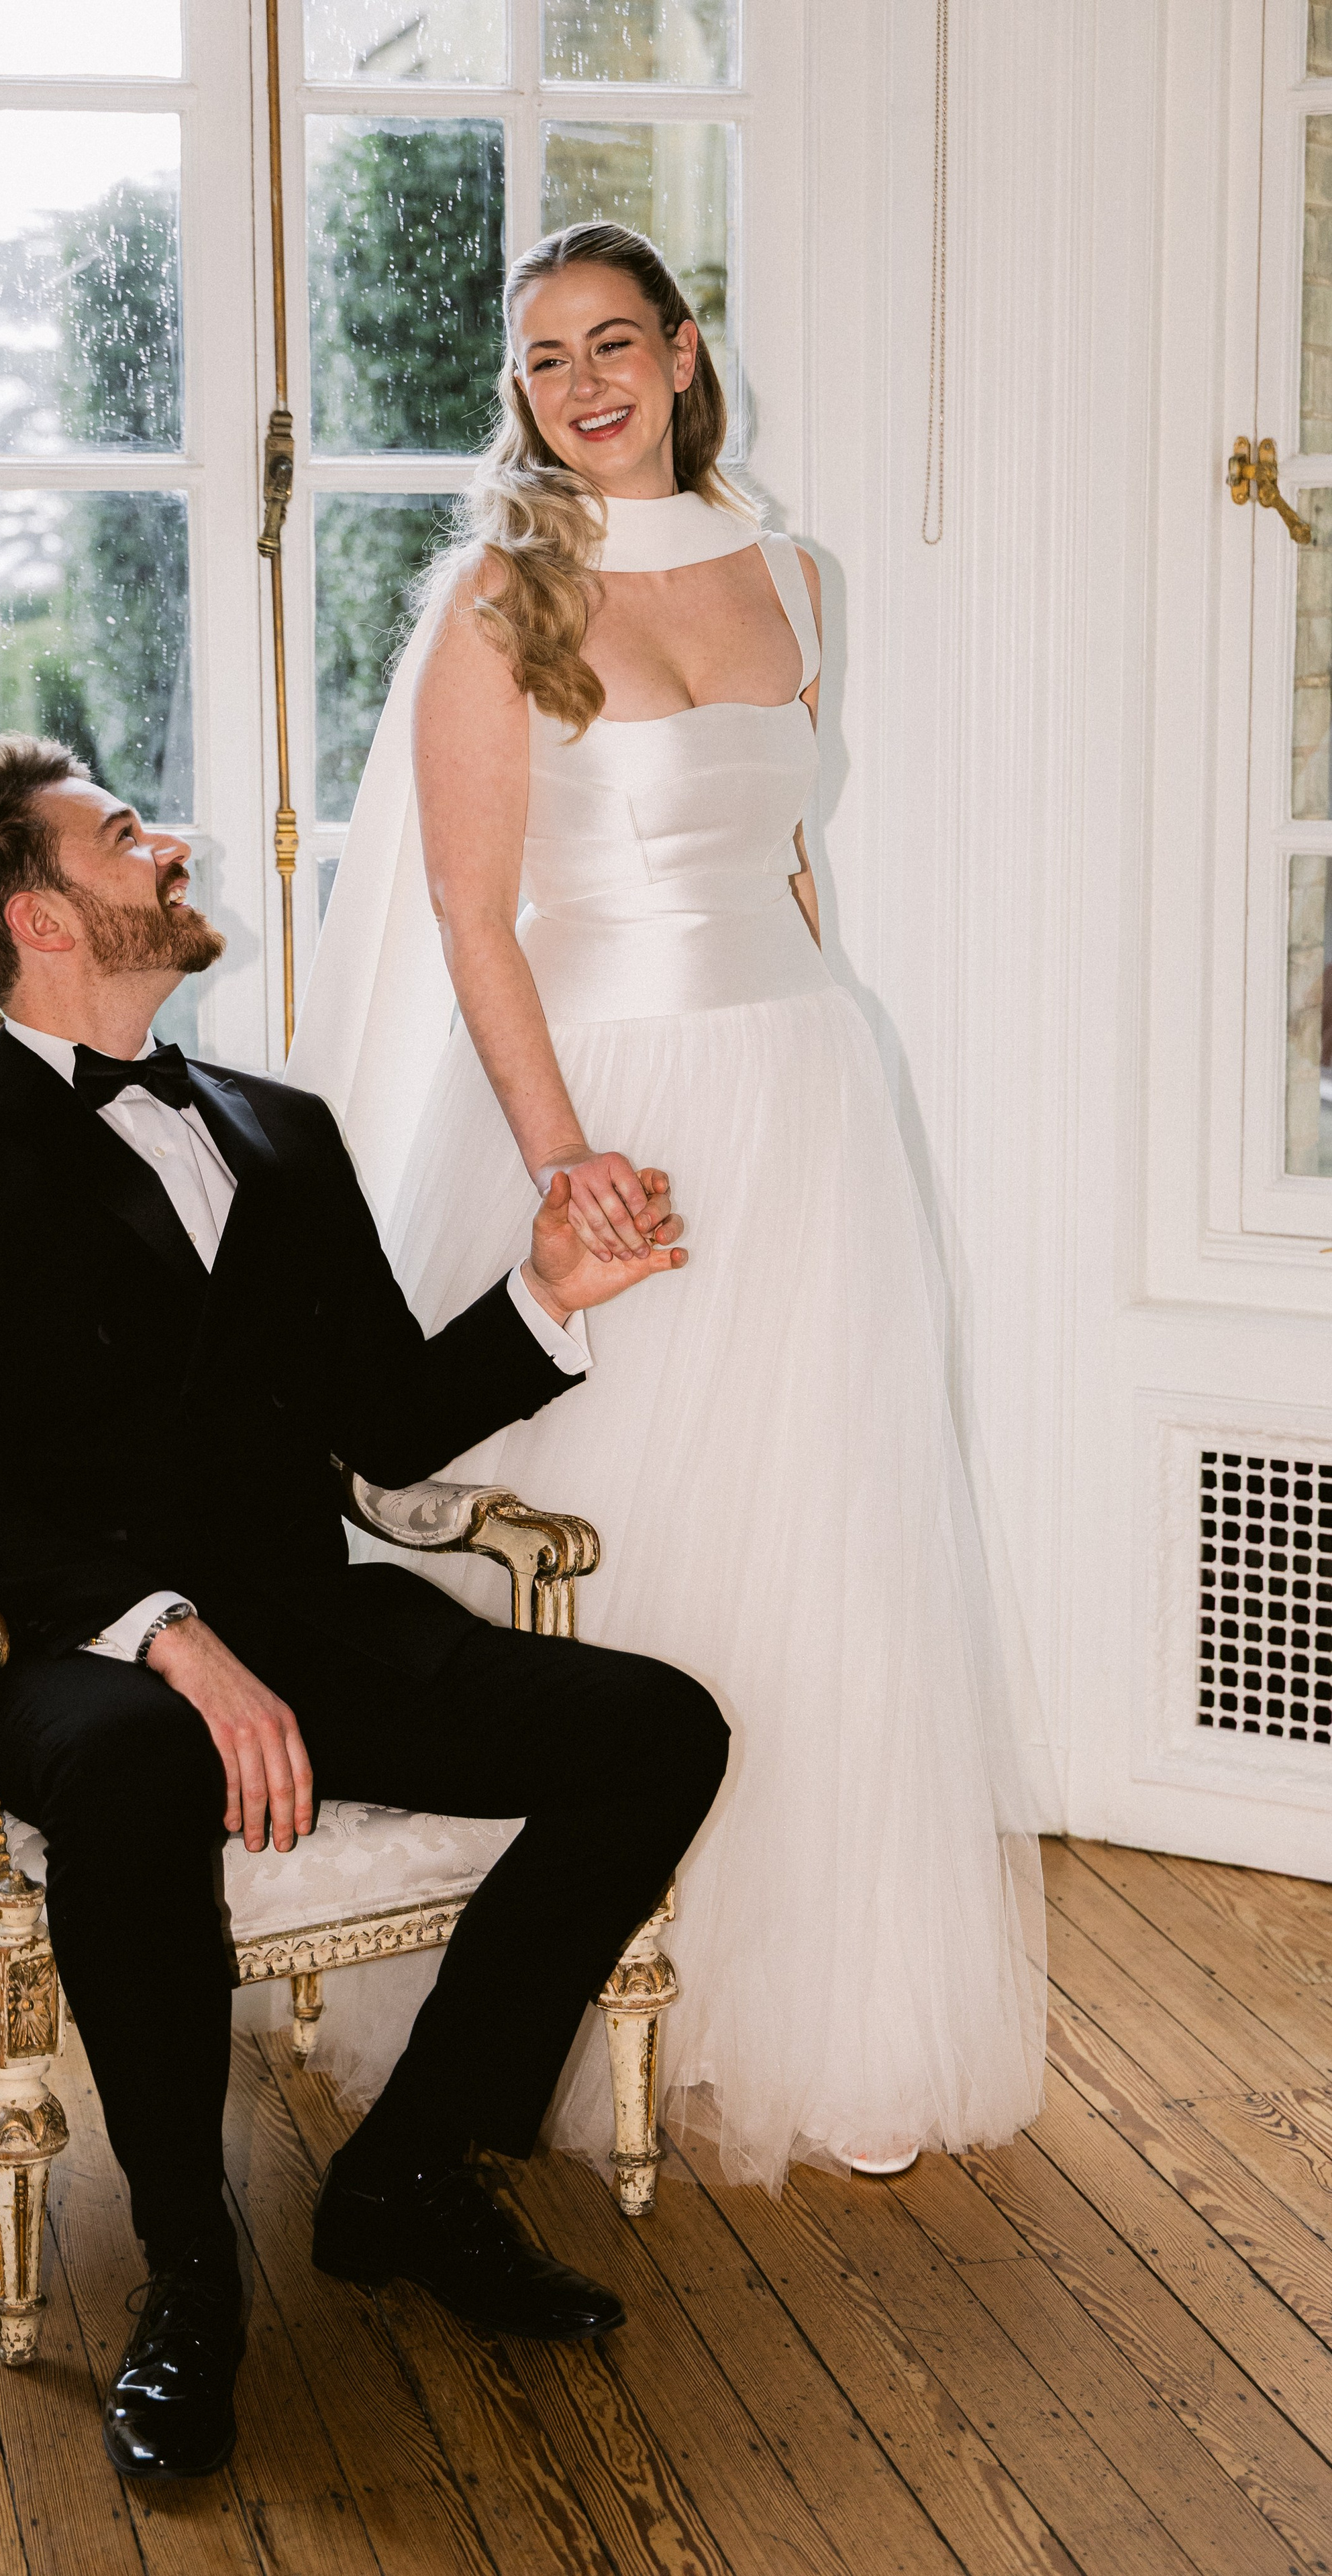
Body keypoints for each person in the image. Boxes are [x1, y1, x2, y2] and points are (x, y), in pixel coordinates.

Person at [0, 734, 727, 2483]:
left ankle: (411, 2170)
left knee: (655, 1732)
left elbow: (385, 1423)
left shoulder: (280, 1130)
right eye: (122, 834)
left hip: (313, 1624)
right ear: (42, 918)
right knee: (143, 1766)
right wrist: (164, 1631)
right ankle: (189, 2278)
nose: (171, 844)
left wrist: (547, 1294)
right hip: (67, 1656)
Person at [288, 221, 1048, 2191]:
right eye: (545, 361)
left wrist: (824, 1050)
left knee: (823, 1532)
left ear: (685, 352)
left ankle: (815, 2010)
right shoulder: (500, 595)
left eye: (613, 344)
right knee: (620, 1530)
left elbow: (789, 863)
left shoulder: (796, 572)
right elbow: (473, 914)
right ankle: (553, 2002)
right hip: (600, 1105)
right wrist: (565, 1159)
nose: (583, 387)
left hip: (802, 1091)